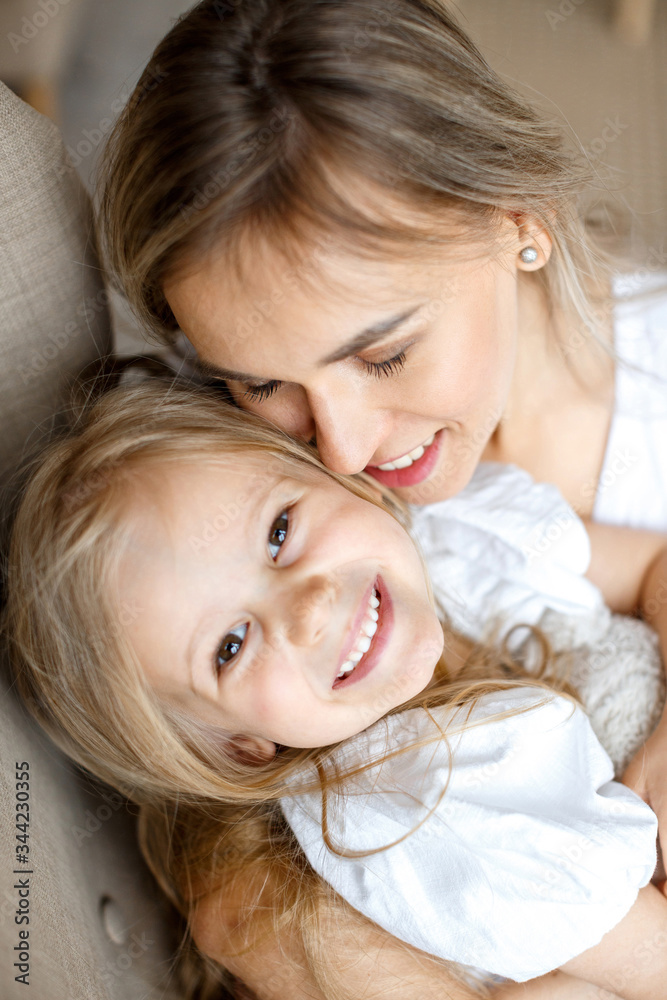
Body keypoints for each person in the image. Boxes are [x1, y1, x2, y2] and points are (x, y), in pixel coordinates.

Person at [95, 0, 667, 993]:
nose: (345, 446)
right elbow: (230, 881)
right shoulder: (234, 485)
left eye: (386, 351)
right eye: (262, 379)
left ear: (514, 220)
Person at [5, 382, 666, 1000]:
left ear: (343, 482)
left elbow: (654, 565)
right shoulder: (415, 810)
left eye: (279, 531)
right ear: (238, 746)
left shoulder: (461, 532)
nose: (309, 609)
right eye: (230, 646)